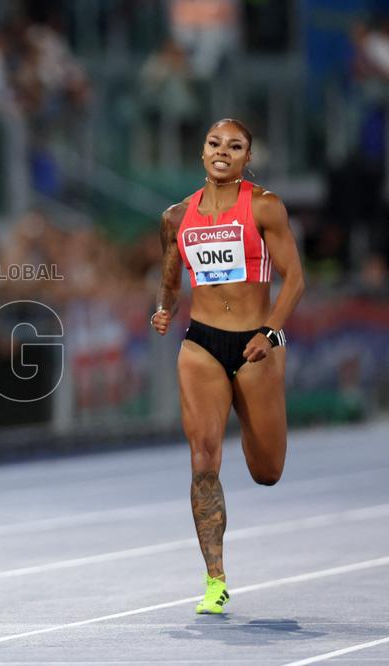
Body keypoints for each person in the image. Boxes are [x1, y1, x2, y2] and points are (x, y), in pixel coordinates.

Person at [152, 119, 305, 614]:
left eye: (235, 146)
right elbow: (171, 277)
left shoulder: (264, 206)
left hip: (256, 342)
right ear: (202, 152)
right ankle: (214, 580)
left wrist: (271, 332)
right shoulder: (176, 216)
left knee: (268, 471)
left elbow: (295, 279)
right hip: (201, 345)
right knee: (203, 457)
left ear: (246, 158)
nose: (223, 151)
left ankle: (250, 420)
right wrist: (164, 309)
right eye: (215, 143)